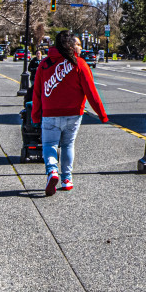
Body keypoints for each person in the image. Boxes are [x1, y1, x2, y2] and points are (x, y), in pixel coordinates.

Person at [31, 31, 108, 196]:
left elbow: (36, 93)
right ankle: (66, 179)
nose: (80, 47)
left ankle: (52, 171)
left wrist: (35, 115)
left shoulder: (44, 64)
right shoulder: (79, 64)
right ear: (70, 46)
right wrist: (101, 114)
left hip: (49, 114)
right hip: (73, 114)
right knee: (67, 145)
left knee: (49, 145)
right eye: (78, 44)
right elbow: (92, 93)